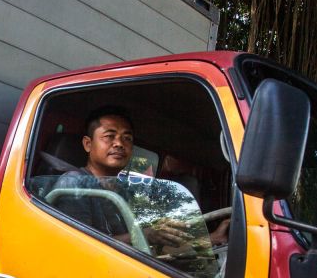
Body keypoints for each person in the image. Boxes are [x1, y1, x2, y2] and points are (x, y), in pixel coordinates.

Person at [50, 107, 228, 249]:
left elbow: (152, 248)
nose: (119, 143)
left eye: (127, 138)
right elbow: (79, 246)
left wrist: (209, 241)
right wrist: (145, 234)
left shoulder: (124, 190)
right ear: (88, 144)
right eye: (109, 136)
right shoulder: (74, 183)